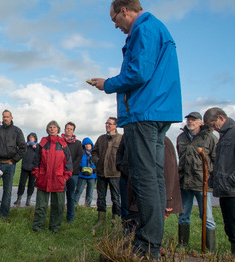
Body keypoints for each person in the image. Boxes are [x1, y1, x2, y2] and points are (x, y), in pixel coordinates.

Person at [90, 0, 182, 258]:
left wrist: (107, 83)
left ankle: (146, 242)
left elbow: (138, 72)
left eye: (114, 19)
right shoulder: (155, 27)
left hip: (144, 110)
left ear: (124, 11)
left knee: (144, 177)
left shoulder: (144, 29)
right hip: (158, 109)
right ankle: (152, 240)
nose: (115, 25)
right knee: (153, 176)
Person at [176, 112, 217, 251]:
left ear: (200, 122)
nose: (190, 122)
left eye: (193, 120)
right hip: (185, 182)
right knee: (183, 215)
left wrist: (209, 175)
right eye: (188, 120)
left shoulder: (209, 137)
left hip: (202, 182)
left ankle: (210, 250)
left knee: (207, 217)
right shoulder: (181, 137)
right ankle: (182, 245)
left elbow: (215, 159)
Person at [203, 107, 235, 255]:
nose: (213, 128)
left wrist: (231, 180)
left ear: (221, 118)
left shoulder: (233, 133)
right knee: (229, 227)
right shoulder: (224, 136)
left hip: (232, 190)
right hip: (224, 190)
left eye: (213, 125)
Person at [32, 120, 73, 233]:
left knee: (58, 206)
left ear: (58, 129)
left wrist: (65, 177)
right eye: (50, 127)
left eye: (54, 127)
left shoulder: (63, 144)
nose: (52, 129)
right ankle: (38, 227)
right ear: (47, 129)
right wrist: (37, 174)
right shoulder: (42, 143)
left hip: (58, 180)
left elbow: (68, 162)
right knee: (41, 205)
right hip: (43, 179)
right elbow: (36, 161)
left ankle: (55, 228)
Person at [91, 117, 122, 229]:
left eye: (109, 123)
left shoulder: (121, 139)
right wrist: (97, 161)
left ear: (115, 125)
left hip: (115, 174)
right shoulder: (101, 138)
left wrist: (120, 166)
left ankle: (115, 221)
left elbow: (125, 154)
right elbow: (93, 152)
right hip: (101, 173)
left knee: (115, 198)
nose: (107, 125)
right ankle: (100, 220)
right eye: (106, 123)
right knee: (100, 197)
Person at [62, 122, 83, 223]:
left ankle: (70, 218)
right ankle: (58, 215)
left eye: (71, 129)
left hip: (73, 173)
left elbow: (79, 157)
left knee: (70, 196)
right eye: (67, 128)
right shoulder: (60, 141)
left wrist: (69, 169)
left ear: (73, 131)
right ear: (64, 129)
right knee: (60, 196)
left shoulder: (78, 143)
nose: (68, 130)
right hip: (60, 173)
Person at [14, 132, 38, 206]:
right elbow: (19, 151)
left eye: (32, 137)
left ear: (35, 139)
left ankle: (28, 200)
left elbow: (40, 155)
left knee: (31, 185)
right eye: (30, 137)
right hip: (25, 167)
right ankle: (19, 199)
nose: (31, 138)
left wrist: (36, 148)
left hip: (33, 168)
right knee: (22, 184)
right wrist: (25, 146)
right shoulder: (25, 146)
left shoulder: (37, 147)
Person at [74, 138, 97, 207]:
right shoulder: (81, 153)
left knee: (90, 193)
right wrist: (81, 169)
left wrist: (93, 170)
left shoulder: (94, 154)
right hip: (82, 175)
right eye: (86, 144)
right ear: (83, 145)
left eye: (89, 144)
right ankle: (74, 205)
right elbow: (78, 163)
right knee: (78, 191)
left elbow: (97, 164)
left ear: (91, 145)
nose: (87, 146)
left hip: (92, 176)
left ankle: (88, 206)